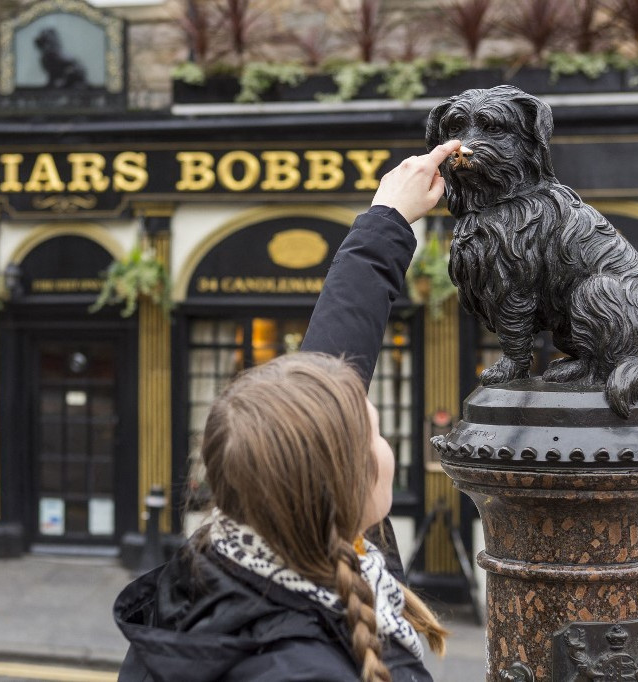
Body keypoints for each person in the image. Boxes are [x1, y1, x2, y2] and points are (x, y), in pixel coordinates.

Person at [113, 140, 463, 682]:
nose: (386, 448)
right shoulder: (304, 669)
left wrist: (387, 219)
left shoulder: (219, 570)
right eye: (373, 435)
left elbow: (324, 374)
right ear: (342, 480)